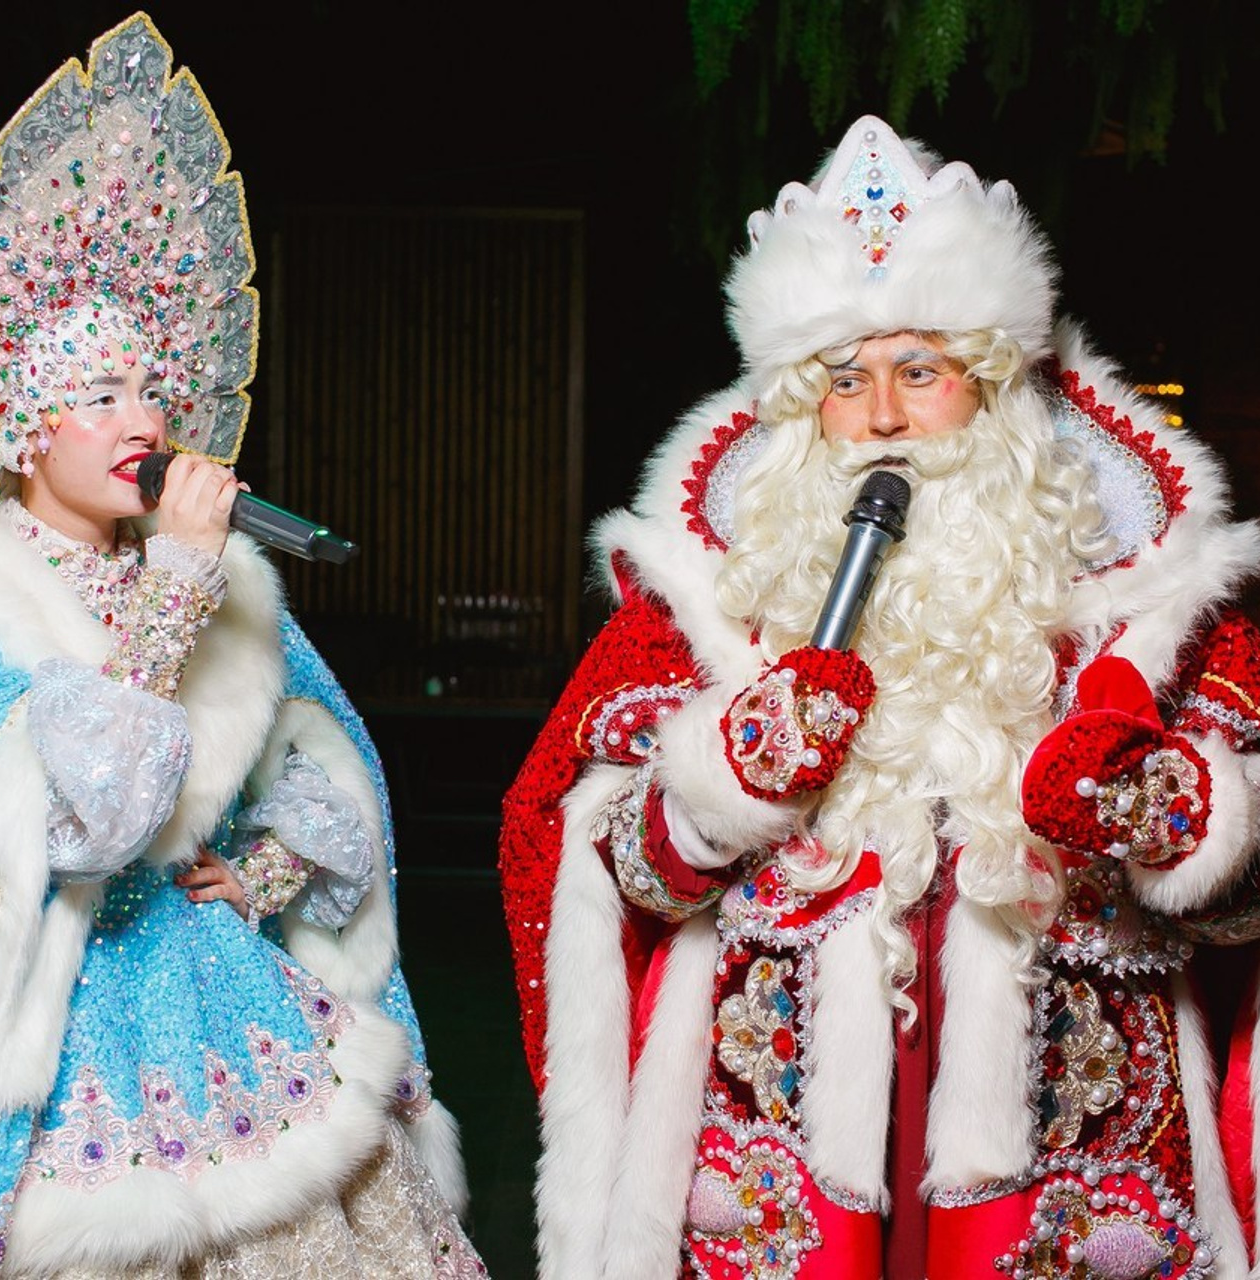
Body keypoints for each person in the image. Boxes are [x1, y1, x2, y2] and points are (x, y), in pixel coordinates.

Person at [498, 114, 1260, 1278]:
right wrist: (730, 774)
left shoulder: (1150, 603)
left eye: (919, 371)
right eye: (845, 382)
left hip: (1070, 1125)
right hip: (780, 1118)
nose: (884, 417)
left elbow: (1239, 903)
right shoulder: (711, 596)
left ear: (990, 385)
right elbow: (600, 868)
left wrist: (1151, 806)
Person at [0, 14, 486, 1278]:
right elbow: (82, 820)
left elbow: (333, 778)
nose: (140, 419)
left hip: (233, 1001)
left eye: (151, 390)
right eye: (97, 395)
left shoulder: (228, 580)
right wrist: (178, 583)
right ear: (20, 426)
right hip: (70, 1036)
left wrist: (261, 872)